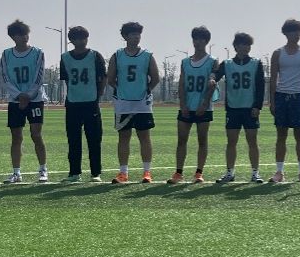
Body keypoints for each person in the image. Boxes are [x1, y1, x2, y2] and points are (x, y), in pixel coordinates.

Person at [105, 21, 160, 184]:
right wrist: (122, 91)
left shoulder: (147, 55)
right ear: (125, 36)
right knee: (124, 137)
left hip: (142, 103)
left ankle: (147, 172)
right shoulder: (117, 55)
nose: (136, 37)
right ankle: (123, 173)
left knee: (144, 137)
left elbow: (155, 78)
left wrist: (146, 90)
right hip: (123, 104)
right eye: (133, 34)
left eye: (138, 34)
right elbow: (110, 78)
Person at [268, 18, 300, 183]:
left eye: (299, 31)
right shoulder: (277, 53)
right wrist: (272, 101)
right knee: (281, 136)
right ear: (286, 33)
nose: (297, 34)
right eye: (293, 31)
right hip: (282, 96)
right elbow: (273, 78)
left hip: (299, 97)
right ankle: (279, 172)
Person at [213, 32, 265, 184]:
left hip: (250, 108)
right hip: (233, 108)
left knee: (252, 141)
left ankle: (255, 173)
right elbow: (216, 74)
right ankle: (230, 172)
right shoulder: (227, 64)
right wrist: (212, 78)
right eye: (242, 44)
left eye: (248, 44)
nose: (245, 47)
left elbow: (260, 86)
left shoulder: (256, 63)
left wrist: (258, 106)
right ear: (235, 46)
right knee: (231, 141)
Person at [0, 19, 48, 184]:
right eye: (20, 34)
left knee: (36, 134)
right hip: (15, 101)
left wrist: (28, 95)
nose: (24, 37)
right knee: (16, 137)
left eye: (26, 34)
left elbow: (39, 76)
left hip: (35, 100)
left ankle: (43, 170)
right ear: (13, 37)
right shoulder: (6, 54)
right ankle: (16, 173)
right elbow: (5, 77)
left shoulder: (38, 53)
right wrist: (18, 95)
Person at [168, 26, 217, 184]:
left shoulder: (212, 61)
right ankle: (178, 173)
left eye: (202, 39)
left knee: (202, 140)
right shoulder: (185, 62)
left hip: (204, 108)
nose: (198, 42)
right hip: (187, 107)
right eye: (196, 38)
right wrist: (182, 104)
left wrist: (205, 103)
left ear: (206, 41)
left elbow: (212, 84)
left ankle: (199, 173)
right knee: (181, 140)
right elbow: (182, 84)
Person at [59, 25, 106, 182]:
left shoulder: (95, 56)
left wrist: (98, 95)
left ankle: (96, 173)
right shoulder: (65, 57)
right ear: (72, 40)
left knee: (94, 139)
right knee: (73, 139)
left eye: (84, 38)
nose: (82, 41)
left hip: (91, 102)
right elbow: (66, 79)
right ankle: (74, 173)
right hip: (73, 103)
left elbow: (103, 77)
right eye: (78, 38)